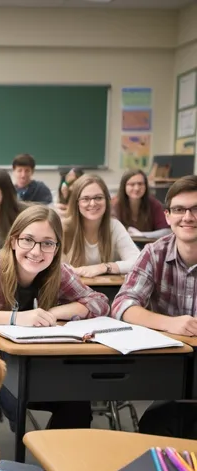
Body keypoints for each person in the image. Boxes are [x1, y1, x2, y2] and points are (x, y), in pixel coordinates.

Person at [0, 205, 109, 430]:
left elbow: (100, 302)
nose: (36, 251)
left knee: (76, 402)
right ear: (14, 241)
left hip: (30, 361)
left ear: (56, 248)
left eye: (47, 243)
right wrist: (15, 318)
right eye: (28, 240)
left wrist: (55, 313)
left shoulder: (57, 272)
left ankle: (53, 464)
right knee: (17, 398)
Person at [112, 175, 197, 438]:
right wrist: (172, 323)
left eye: (196, 209)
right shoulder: (154, 253)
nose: (188, 217)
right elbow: (122, 306)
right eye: (180, 210)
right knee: (158, 423)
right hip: (171, 366)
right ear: (168, 216)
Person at [63, 175, 140, 278]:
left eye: (98, 198)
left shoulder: (114, 226)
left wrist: (104, 267)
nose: (93, 203)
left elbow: (139, 262)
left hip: (107, 290)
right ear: (76, 203)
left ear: (107, 201)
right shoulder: (64, 228)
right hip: (73, 289)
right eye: (85, 199)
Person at [112, 169, 170, 239]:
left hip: (148, 246)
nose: (137, 188)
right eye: (132, 184)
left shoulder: (154, 204)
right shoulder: (114, 205)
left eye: (140, 184)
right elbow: (110, 232)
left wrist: (141, 235)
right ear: (124, 186)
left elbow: (167, 231)